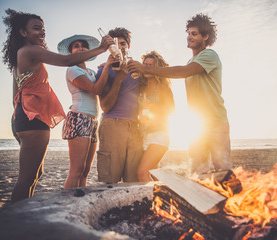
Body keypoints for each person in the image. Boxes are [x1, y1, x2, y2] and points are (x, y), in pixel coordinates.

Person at [2, 9, 112, 202]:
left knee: (36, 174)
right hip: (33, 119)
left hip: (26, 117)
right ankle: (15, 220)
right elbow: (66, 60)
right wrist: (102, 49)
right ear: (23, 32)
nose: (42, 32)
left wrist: (16, 119)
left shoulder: (20, 56)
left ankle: (22, 215)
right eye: (36, 28)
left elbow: (15, 94)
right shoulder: (30, 50)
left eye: (43, 29)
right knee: (27, 178)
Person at [128, 13, 231, 175]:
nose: (189, 37)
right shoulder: (191, 61)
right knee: (198, 172)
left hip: (216, 122)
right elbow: (183, 70)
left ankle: (232, 199)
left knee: (222, 171)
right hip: (199, 125)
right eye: (188, 33)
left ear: (205, 36)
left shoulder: (209, 55)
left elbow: (183, 72)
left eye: (194, 34)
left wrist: (145, 69)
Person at [57, 35, 116, 189]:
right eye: (76, 46)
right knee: (76, 170)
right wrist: (107, 67)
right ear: (71, 53)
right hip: (79, 118)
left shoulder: (90, 71)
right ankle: (68, 205)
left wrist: (105, 68)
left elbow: (102, 85)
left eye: (83, 46)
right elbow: (96, 89)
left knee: (86, 170)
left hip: (93, 121)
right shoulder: (72, 70)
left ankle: (79, 198)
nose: (80, 48)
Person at [96, 27, 143, 183]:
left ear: (128, 46)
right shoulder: (104, 70)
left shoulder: (138, 69)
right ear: (109, 48)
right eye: (114, 44)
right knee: (110, 180)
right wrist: (119, 78)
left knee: (134, 181)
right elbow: (105, 107)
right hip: (112, 125)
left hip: (136, 128)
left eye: (122, 43)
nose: (119, 47)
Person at [137, 51, 175, 181]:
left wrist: (153, 106)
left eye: (151, 65)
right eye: (145, 64)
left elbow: (171, 110)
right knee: (154, 175)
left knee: (142, 173)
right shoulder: (140, 87)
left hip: (160, 135)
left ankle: (155, 201)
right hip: (143, 135)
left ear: (157, 68)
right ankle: (163, 200)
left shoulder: (163, 87)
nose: (147, 68)